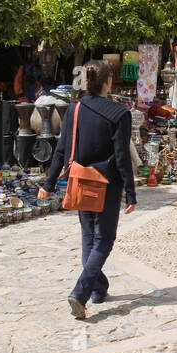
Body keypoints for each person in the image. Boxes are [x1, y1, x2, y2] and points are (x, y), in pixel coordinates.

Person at [38, 59, 137, 320]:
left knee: (88, 238)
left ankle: (98, 289)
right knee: (104, 240)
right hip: (107, 185)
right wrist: (131, 191)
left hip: (80, 181)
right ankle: (80, 294)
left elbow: (61, 150)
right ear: (108, 82)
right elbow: (122, 157)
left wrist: (48, 184)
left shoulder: (75, 109)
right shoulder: (119, 114)